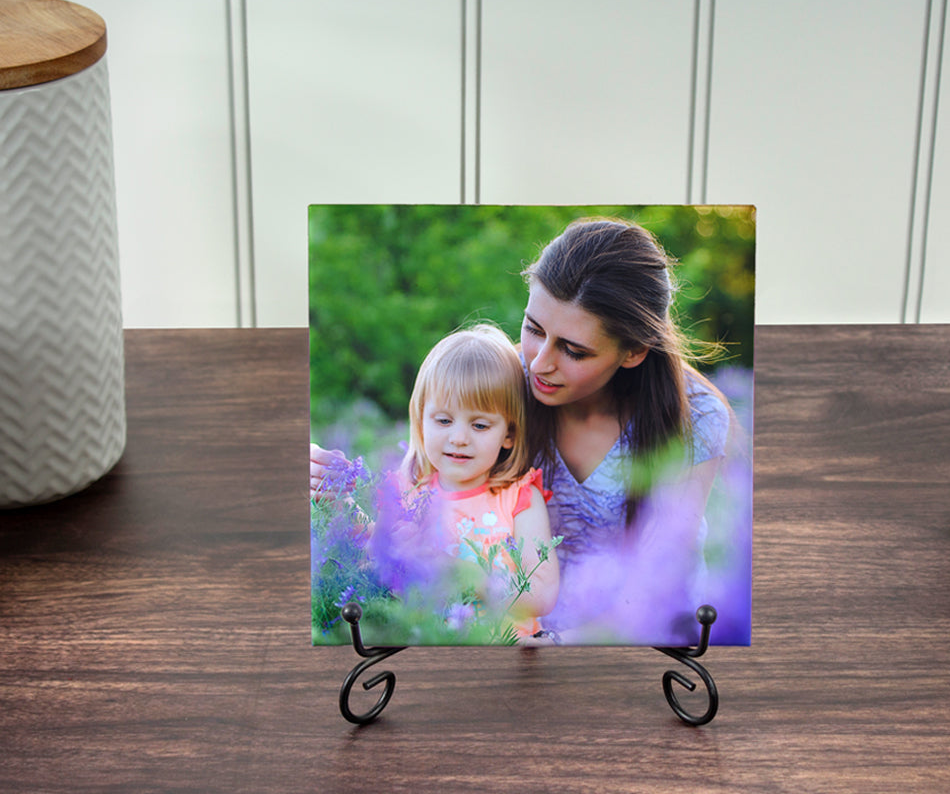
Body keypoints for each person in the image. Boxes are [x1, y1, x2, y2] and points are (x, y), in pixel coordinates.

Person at [311, 217, 733, 642]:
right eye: (533, 328)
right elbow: (411, 506)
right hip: (511, 642)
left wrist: (550, 648)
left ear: (634, 351)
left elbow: (656, 579)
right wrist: (348, 494)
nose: (539, 362)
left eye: (573, 350)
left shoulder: (695, 418)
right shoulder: (502, 382)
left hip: (635, 644)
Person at [373, 323, 559, 641]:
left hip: (507, 655)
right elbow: (376, 574)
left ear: (509, 435)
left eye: (480, 425)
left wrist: (465, 575)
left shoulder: (518, 498)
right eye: (443, 420)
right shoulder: (408, 494)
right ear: (421, 421)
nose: (458, 438)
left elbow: (542, 596)